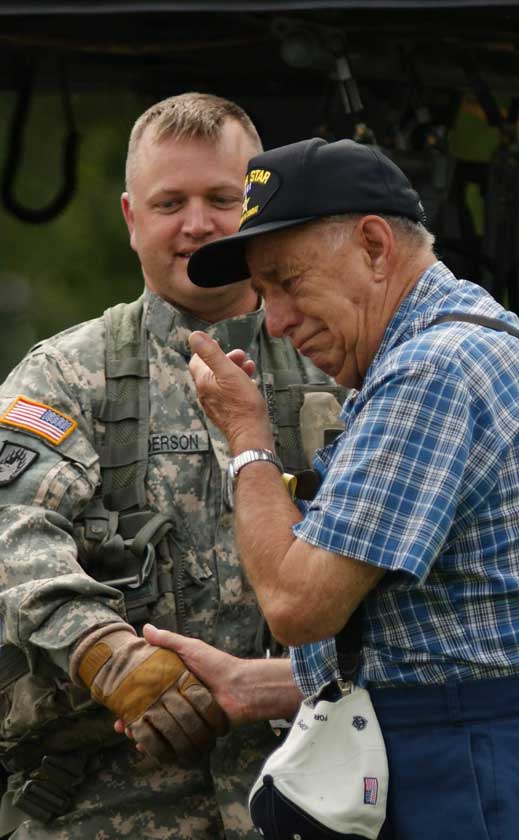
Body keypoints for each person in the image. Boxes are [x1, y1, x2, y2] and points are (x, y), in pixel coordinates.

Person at [148, 136, 519, 838]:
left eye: (288, 281)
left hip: (487, 761)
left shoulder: (432, 372)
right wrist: (253, 685)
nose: (275, 322)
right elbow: (451, 631)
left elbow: (298, 605)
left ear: (374, 246)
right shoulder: (473, 339)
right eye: (262, 293)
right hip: (504, 750)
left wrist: (247, 437)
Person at [0, 99, 344, 839]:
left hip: (320, 796)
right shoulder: (64, 376)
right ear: (131, 217)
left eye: (222, 199)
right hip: (105, 804)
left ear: (255, 203)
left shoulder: (339, 359)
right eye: (169, 203)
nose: (197, 225)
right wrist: (106, 655)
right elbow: (13, 537)